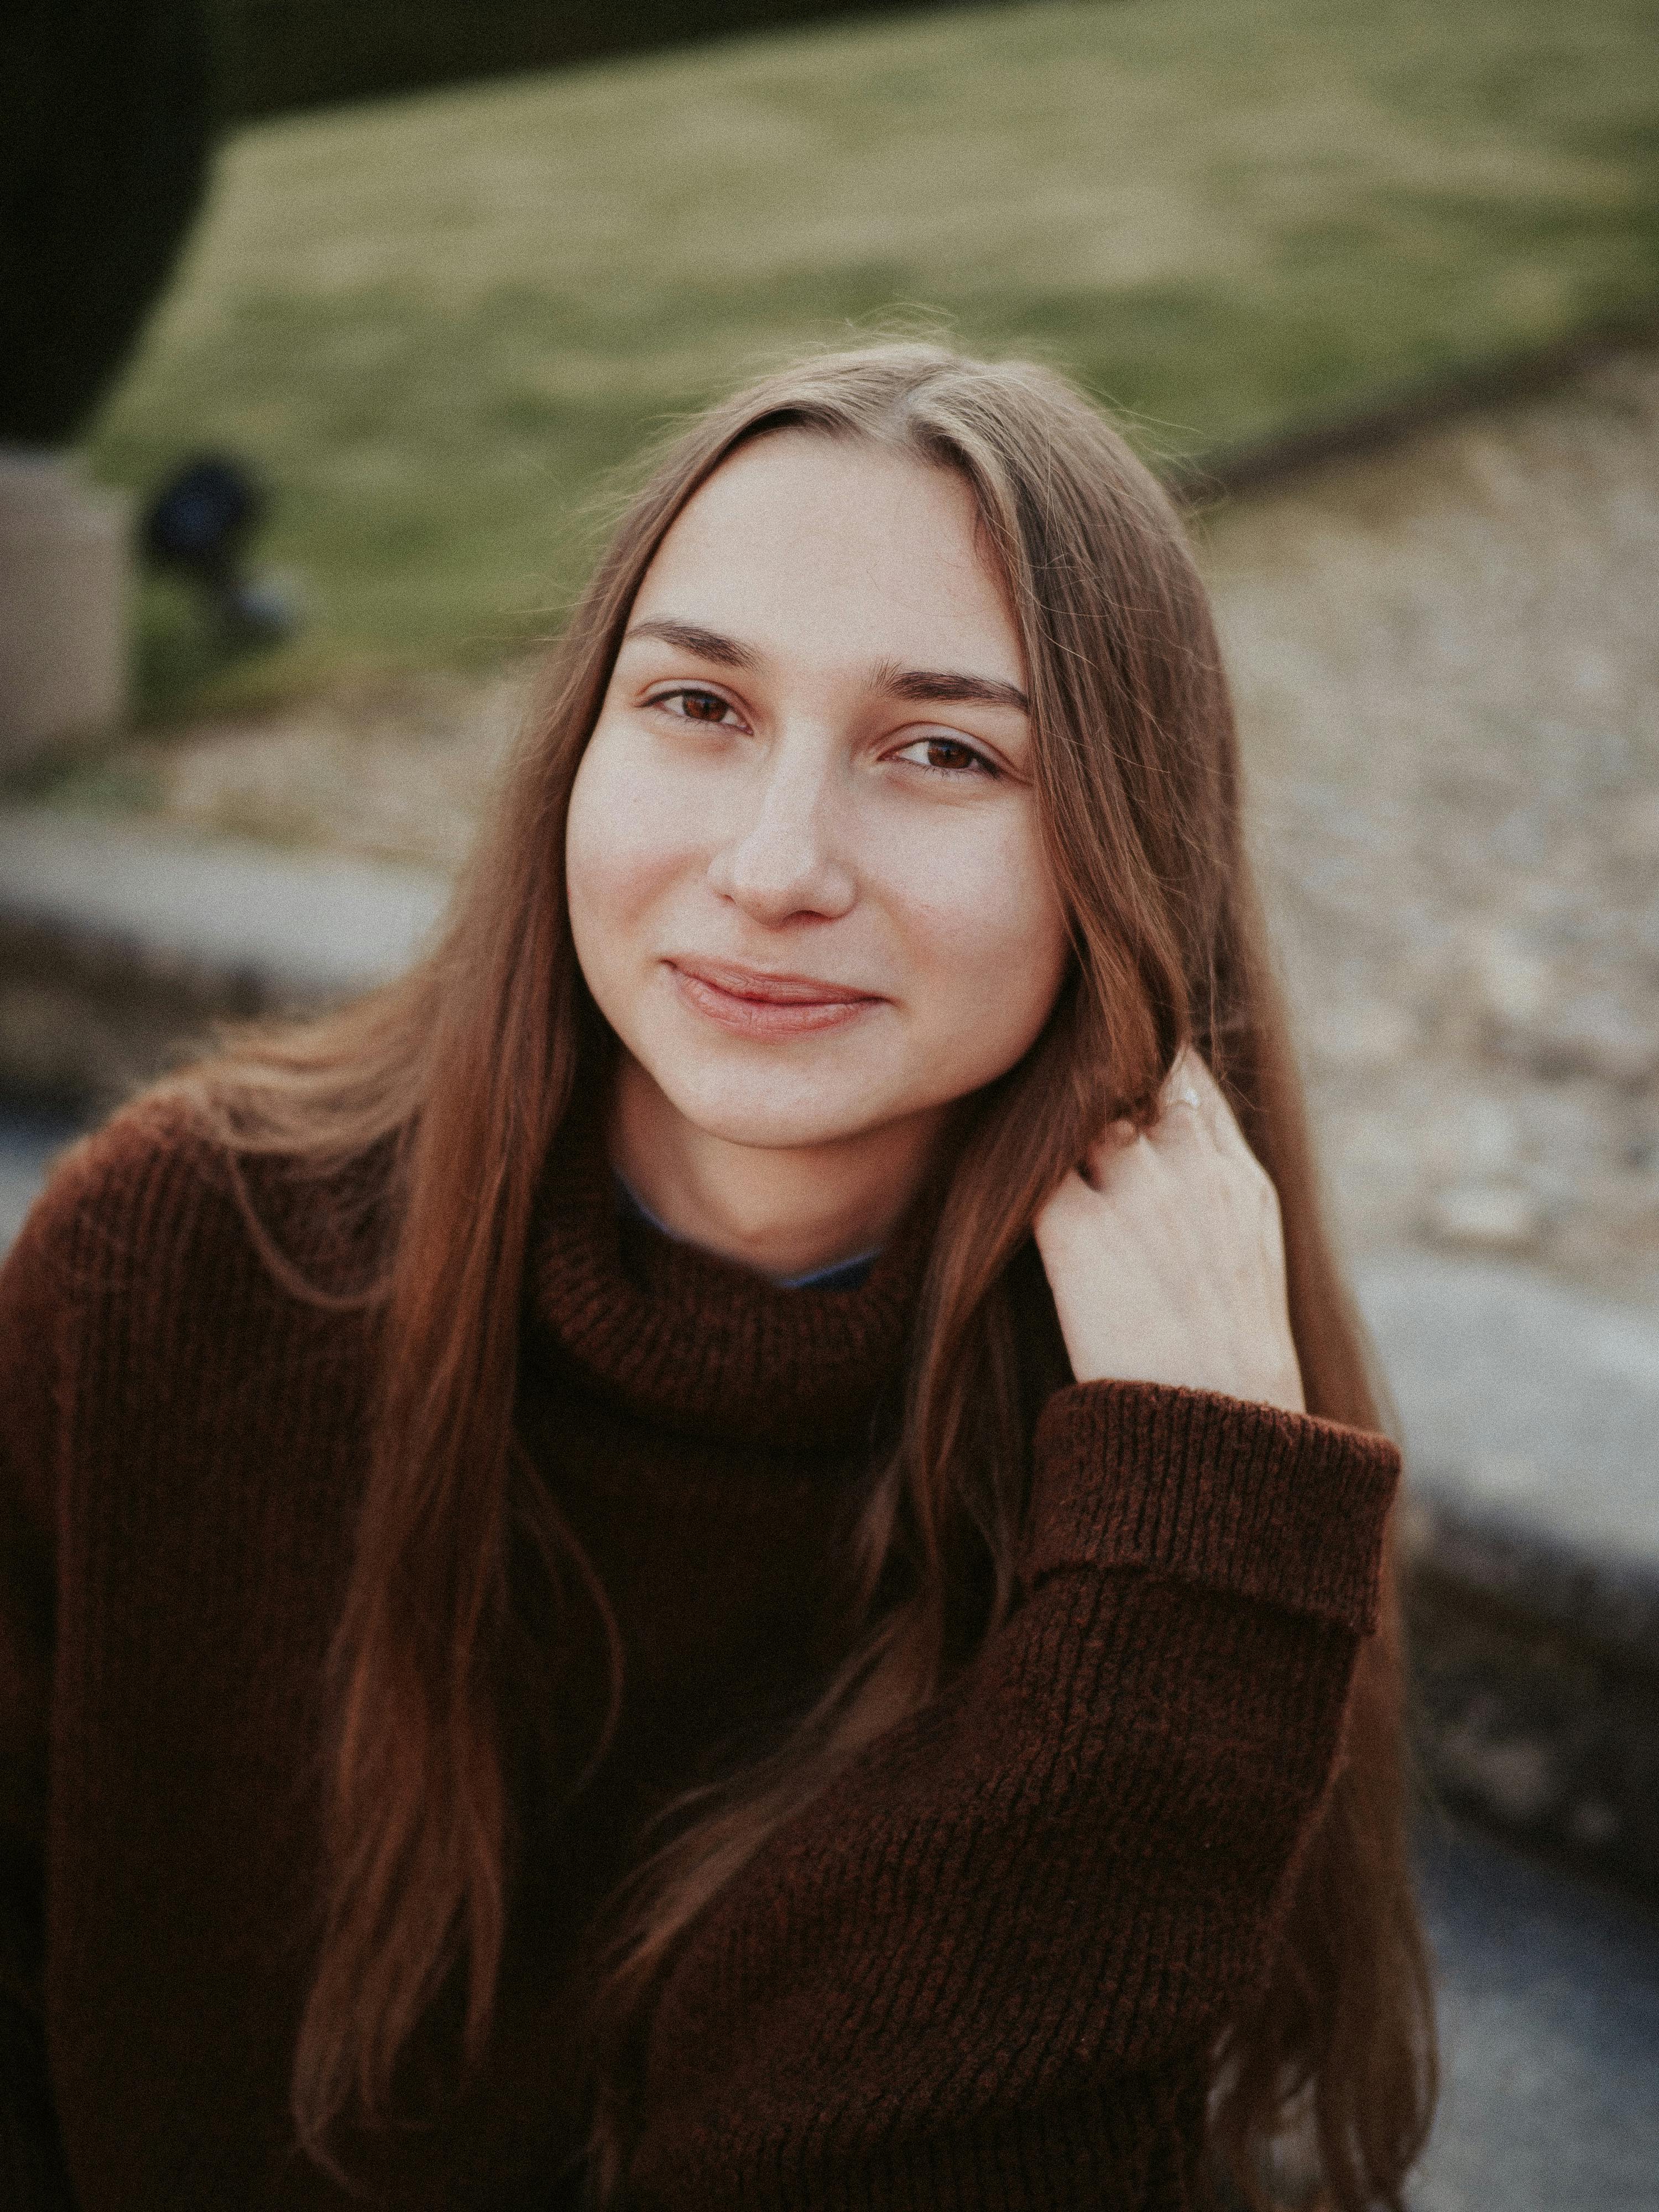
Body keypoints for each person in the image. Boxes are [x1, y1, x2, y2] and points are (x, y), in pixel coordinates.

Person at [0, 342, 1436, 2210]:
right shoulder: (182, 1262)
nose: (775, 867)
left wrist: (1184, 1588)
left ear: (1125, 854)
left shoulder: (1189, 1455)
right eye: (697, 704)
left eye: (944, 751)